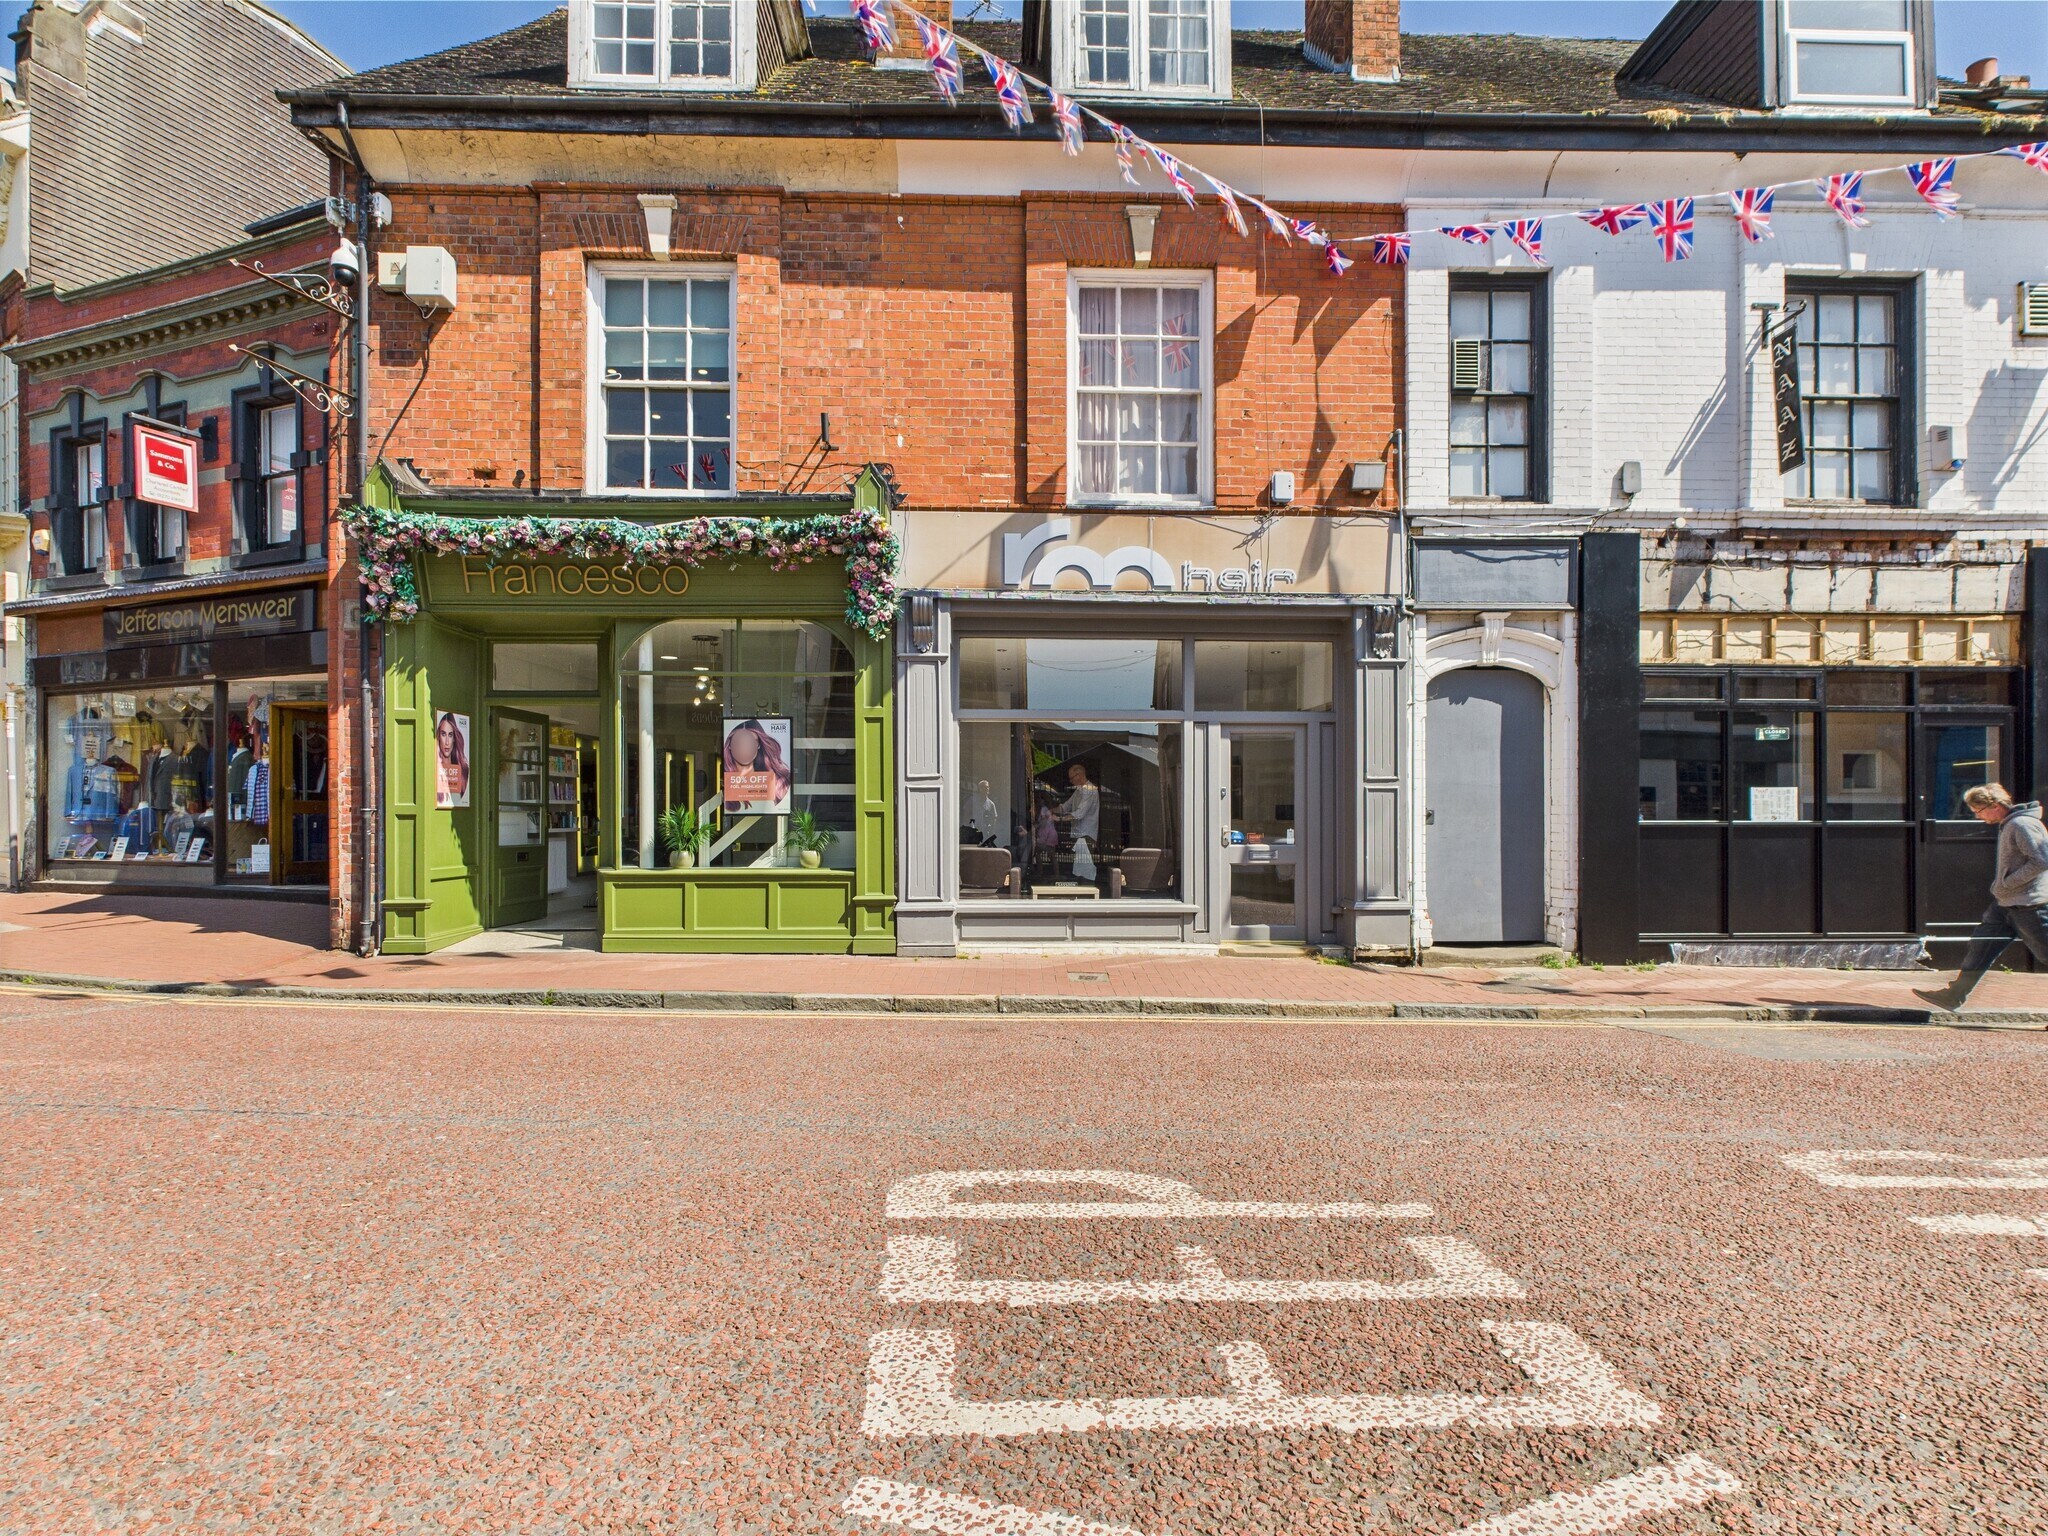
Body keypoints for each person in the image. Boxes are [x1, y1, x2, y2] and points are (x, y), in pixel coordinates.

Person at [1916, 782, 2048, 1012]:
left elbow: (2042, 860)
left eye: (1979, 811)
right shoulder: (2009, 824)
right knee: (1980, 948)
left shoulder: (2022, 824)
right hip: (2006, 906)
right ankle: (1953, 996)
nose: (1979, 817)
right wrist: (2005, 889)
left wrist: (2008, 883)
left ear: (1995, 805)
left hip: (2030, 905)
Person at [1057, 760, 1100, 884]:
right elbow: (1065, 807)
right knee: (1079, 869)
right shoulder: (1078, 791)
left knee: (1085, 871)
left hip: (1086, 836)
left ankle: (1087, 898)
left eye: (1072, 778)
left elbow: (1079, 814)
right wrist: (1050, 811)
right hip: (1079, 836)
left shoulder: (1090, 790)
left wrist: (1059, 818)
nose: (1071, 781)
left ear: (1079, 775)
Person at [434, 712, 469, 806]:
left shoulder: (464, 770)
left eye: (450, 735)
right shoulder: (433, 769)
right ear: (438, 737)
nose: (446, 742)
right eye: (443, 734)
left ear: (454, 738)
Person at [963, 779, 1001, 847]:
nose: (985, 789)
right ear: (979, 788)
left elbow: (994, 819)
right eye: (983, 787)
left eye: (987, 787)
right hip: (973, 832)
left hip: (985, 834)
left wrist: (992, 832)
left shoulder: (991, 804)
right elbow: (966, 813)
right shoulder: (972, 800)